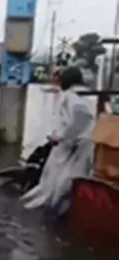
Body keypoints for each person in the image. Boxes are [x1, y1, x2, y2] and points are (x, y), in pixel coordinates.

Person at [21, 66, 95, 217]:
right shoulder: (86, 94)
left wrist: (63, 137)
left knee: (59, 183)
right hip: (82, 146)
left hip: (72, 146)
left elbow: (82, 116)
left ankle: (49, 216)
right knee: (67, 181)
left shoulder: (71, 96)